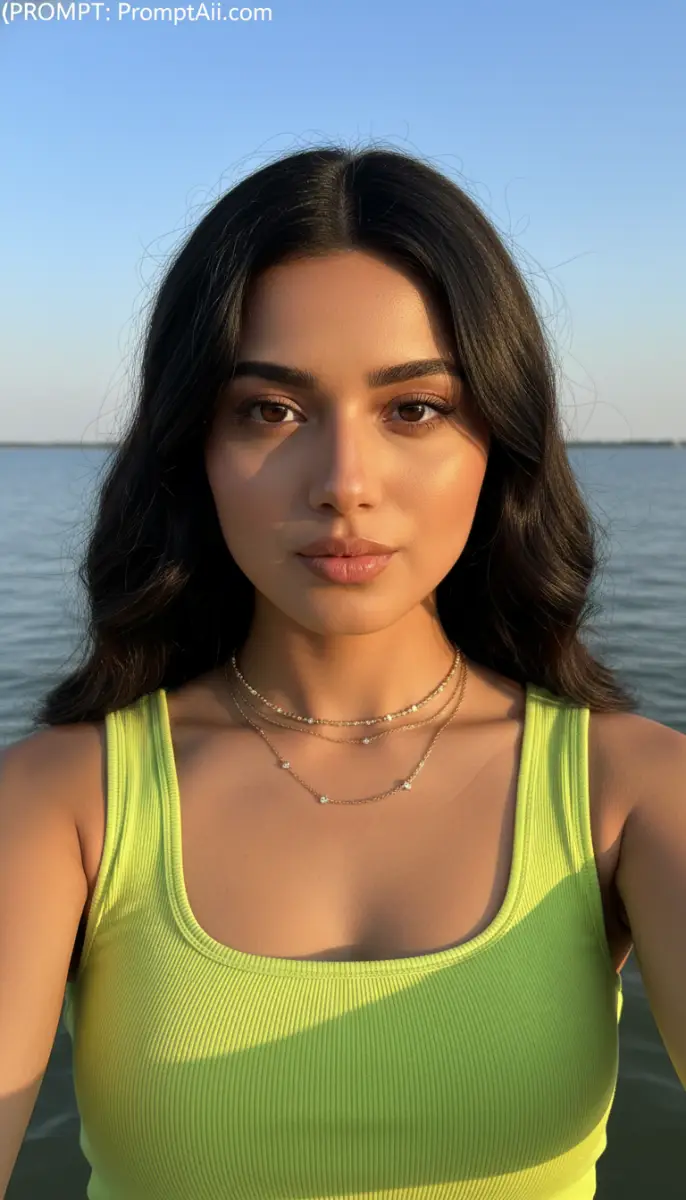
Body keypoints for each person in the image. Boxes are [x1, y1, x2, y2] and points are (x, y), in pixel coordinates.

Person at [1, 144, 684, 1200]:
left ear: (497, 441)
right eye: (269, 410)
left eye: (412, 408)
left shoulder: (633, 792)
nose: (342, 484)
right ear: (192, 445)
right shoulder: (61, 801)